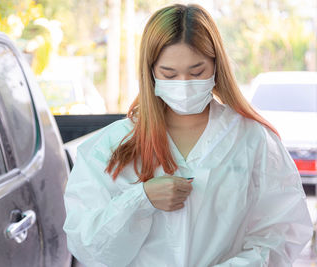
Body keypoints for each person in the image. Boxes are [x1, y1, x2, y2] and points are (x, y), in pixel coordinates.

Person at [62, 3, 313, 267]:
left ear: (217, 66)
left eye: (197, 72)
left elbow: (283, 231)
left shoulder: (251, 139)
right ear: (150, 73)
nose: (183, 84)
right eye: (168, 74)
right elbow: (90, 247)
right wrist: (141, 200)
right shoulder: (111, 146)